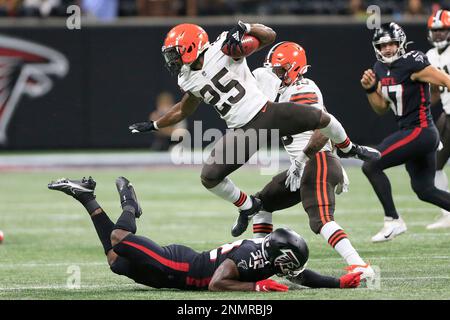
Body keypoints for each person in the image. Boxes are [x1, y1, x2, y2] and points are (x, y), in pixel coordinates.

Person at [129, 22, 380, 236]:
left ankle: (349, 148)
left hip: (265, 113)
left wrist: (247, 26)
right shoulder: (186, 78)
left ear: (192, 47)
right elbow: (184, 108)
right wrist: (154, 125)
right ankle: (248, 206)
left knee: (321, 118)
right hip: (242, 131)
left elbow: (269, 36)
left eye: (175, 53)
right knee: (210, 176)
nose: (171, 59)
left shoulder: (223, 49)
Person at [47, 176, 362, 291]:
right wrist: (256, 288)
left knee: (116, 261)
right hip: (178, 266)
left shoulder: (268, 258)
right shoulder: (252, 257)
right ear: (278, 257)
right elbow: (217, 283)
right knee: (120, 239)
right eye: (289, 263)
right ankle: (130, 202)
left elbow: (301, 276)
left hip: (176, 280)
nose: (291, 271)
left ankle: (86, 196)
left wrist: (338, 282)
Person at [231, 41, 372, 280]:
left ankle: (359, 266)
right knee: (261, 205)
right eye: (273, 69)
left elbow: (322, 128)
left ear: (293, 69)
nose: (274, 75)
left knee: (321, 220)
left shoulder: (304, 88)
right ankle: (259, 263)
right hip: (303, 166)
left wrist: (302, 160)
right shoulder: (283, 90)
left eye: (279, 70)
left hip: (317, 161)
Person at [360, 22, 450, 242]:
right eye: (382, 46)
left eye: (391, 43)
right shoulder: (379, 68)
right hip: (411, 132)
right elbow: (381, 108)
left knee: (371, 163)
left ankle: (393, 220)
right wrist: (371, 89)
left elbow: (446, 81)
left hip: (421, 131)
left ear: (400, 43)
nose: (387, 49)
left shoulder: (413, 61)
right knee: (424, 189)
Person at [426, 9, 450, 229]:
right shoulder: (431, 56)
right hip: (447, 115)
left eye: (442, 30)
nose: (439, 34)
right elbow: (434, 93)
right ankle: (447, 212)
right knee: (435, 164)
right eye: (435, 31)